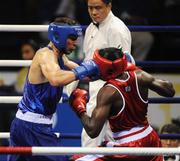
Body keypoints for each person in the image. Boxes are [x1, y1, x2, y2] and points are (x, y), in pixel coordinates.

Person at [8, 17, 99, 161]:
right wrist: (84, 71)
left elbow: (80, 72)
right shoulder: (45, 55)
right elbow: (56, 78)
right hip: (33, 127)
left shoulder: (60, 57)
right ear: (59, 36)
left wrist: (99, 69)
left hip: (27, 124)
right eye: (72, 38)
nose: (75, 43)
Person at [69, 47, 175, 161]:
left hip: (128, 148)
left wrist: (79, 108)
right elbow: (170, 91)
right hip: (150, 139)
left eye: (98, 64)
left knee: (75, 160)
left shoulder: (108, 92)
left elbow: (93, 130)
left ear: (106, 68)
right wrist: (135, 69)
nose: (95, 67)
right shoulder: (140, 76)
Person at [81, 0, 135, 147]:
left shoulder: (117, 29)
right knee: (95, 140)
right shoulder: (90, 29)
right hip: (95, 92)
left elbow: (124, 67)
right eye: (90, 8)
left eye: (98, 8)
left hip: (111, 93)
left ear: (109, 5)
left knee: (97, 140)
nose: (93, 12)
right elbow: (87, 62)